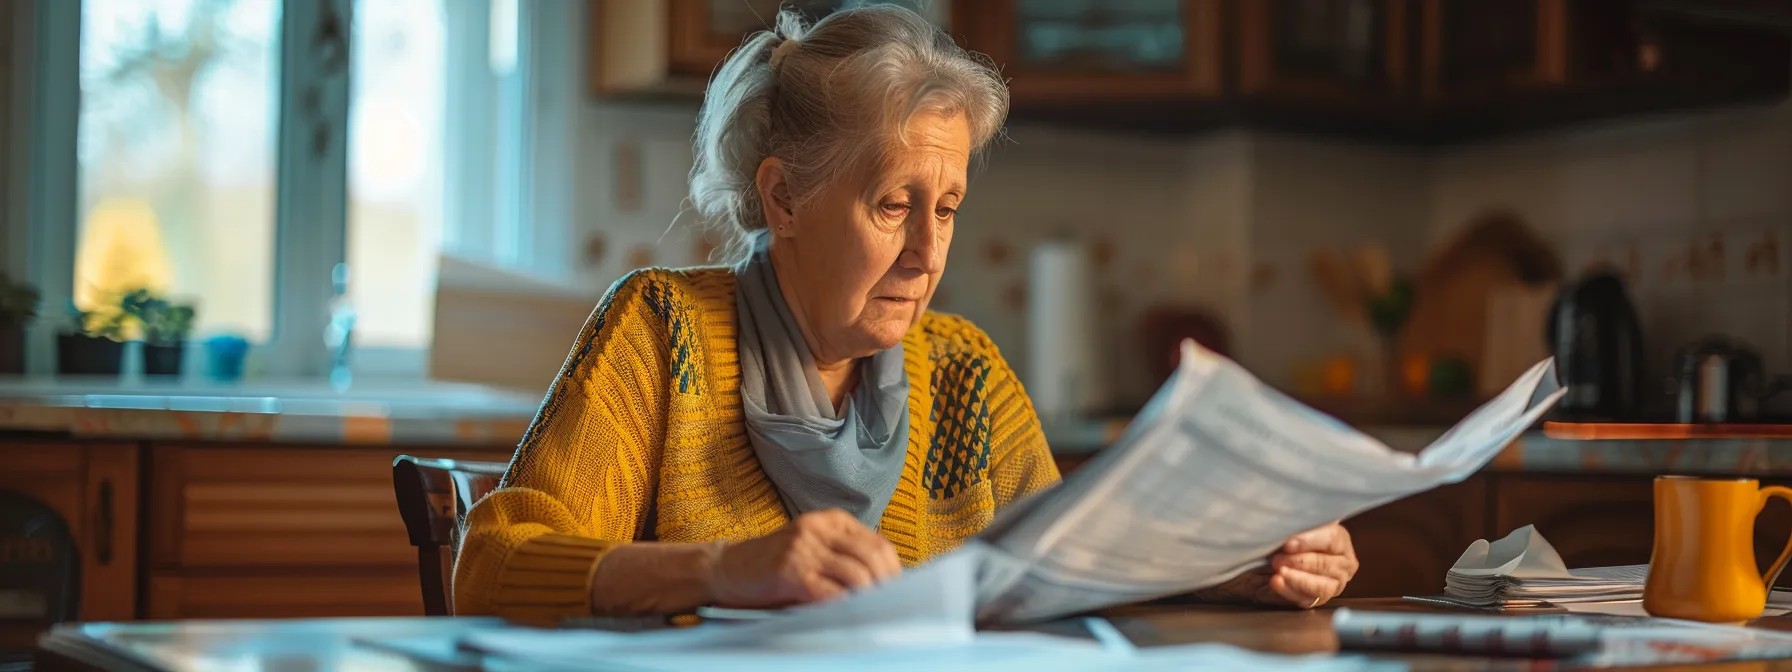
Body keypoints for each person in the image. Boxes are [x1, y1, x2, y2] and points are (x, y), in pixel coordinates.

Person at [453, 5, 1358, 623]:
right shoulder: (663, 333)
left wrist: (1251, 568)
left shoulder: (964, 371)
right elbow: (489, 568)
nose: (929, 252)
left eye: (950, 207)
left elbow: (1071, 572)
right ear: (785, 200)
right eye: (893, 206)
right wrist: (725, 569)